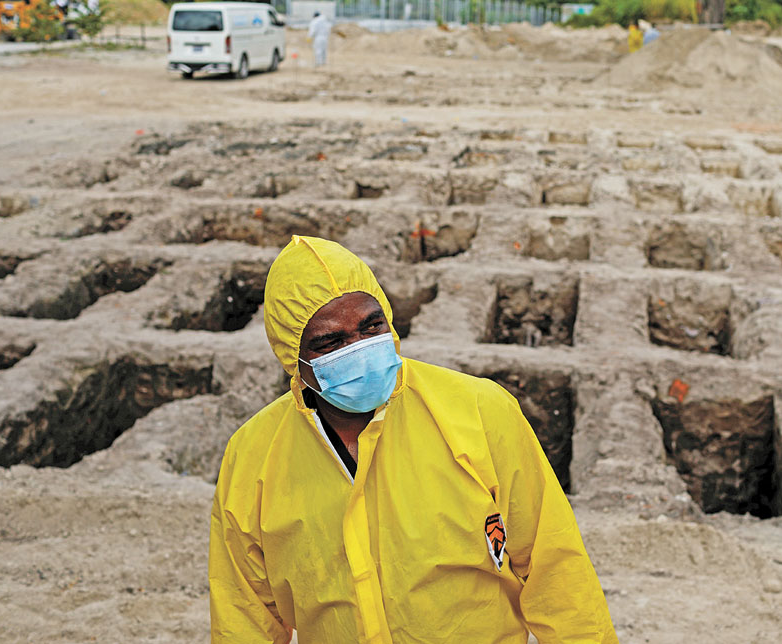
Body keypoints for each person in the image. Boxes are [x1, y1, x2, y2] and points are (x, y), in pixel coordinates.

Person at [209, 237, 618, 644]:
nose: (361, 349)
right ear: (292, 358)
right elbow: (244, 615)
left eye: (371, 326)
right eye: (331, 342)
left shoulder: (477, 411)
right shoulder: (253, 455)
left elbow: (555, 569)